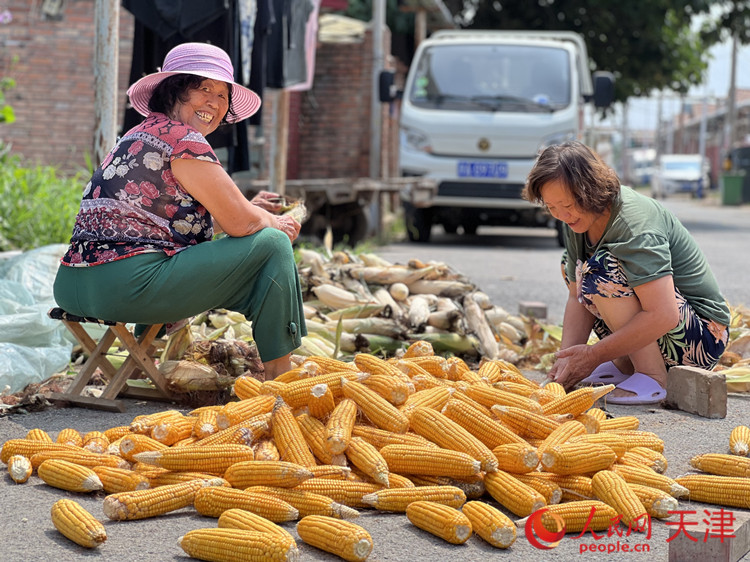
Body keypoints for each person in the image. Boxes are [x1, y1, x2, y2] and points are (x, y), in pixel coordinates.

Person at [53, 42, 306, 380]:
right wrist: (272, 220)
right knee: (273, 243)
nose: (214, 103)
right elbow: (242, 224)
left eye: (222, 95)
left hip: (73, 285)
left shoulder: (136, 134)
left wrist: (252, 210)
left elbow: (170, 224)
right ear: (174, 89)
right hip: (123, 287)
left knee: (247, 259)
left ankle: (146, 362)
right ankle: (280, 375)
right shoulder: (184, 140)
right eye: (203, 89)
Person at [523, 141, 730, 404]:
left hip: (701, 338)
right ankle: (625, 365)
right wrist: (566, 364)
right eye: (553, 207)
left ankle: (653, 377)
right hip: (661, 332)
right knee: (573, 269)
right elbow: (576, 298)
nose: (564, 215)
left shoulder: (634, 225)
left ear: (591, 189)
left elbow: (664, 314)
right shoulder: (574, 221)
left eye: (569, 204)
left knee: (602, 271)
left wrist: (593, 355)